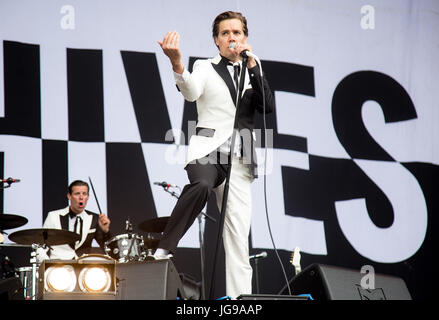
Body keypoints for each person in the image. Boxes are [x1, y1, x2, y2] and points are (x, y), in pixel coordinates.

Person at [156, 11, 275, 298]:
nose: (231, 37)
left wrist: (254, 67)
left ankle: (239, 300)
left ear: (245, 38)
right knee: (202, 185)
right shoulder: (205, 67)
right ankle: (164, 247)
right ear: (216, 41)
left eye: (237, 32)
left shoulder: (253, 70)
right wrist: (176, 62)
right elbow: (191, 91)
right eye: (225, 33)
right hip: (208, 151)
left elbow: (267, 106)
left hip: (240, 159)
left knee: (237, 237)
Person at [37, 180, 111, 261]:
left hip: (83, 268)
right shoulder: (53, 216)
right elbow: (41, 246)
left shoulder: (95, 218)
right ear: (69, 196)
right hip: (58, 267)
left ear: (88, 197)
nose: (81, 197)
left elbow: (108, 249)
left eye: (84, 194)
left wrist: (106, 231)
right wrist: (47, 265)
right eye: (77, 194)